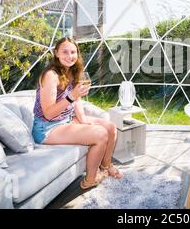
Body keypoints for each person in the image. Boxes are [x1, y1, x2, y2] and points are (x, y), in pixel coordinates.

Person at [31, 37, 123, 190]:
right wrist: (71, 96)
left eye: (73, 52)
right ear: (56, 53)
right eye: (65, 52)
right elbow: (48, 114)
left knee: (110, 127)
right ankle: (90, 180)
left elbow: (77, 101)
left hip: (65, 120)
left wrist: (83, 120)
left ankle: (106, 166)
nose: (70, 56)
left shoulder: (72, 72)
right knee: (100, 134)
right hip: (47, 128)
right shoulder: (51, 75)